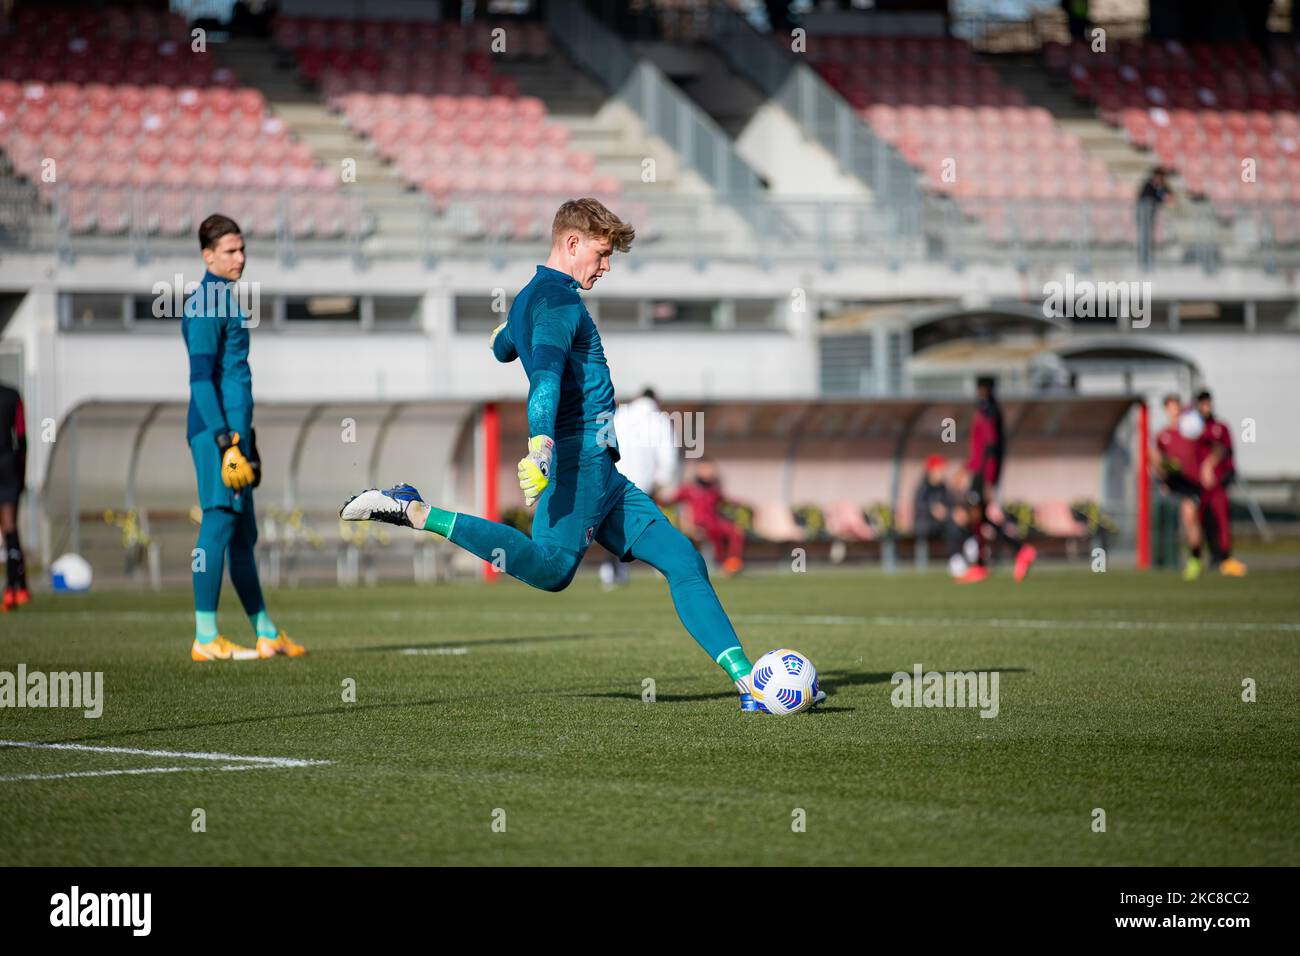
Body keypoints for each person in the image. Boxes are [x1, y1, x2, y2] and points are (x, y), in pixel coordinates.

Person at [341, 198, 819, 713]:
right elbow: (544, 376)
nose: (607, 265)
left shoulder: (534, 299)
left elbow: (504, 349)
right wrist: (542, 443)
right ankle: (413, 509)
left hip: (603, 471)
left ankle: (748, 682)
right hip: (577, 457)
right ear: (572, 243)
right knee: (551, 569)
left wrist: (507, 336)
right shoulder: (560, 304)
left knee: (683, 559)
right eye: (602, 253)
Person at [184, 214, 305, 661]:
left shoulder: (226, 299)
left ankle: (266, 632)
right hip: (216, 436)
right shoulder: (205, 304)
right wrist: (223, 442)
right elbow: (200, 381)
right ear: (208, 255)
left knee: (242, 534)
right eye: (230, 251)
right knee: (218, 523)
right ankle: (205, 636)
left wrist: (244, 439)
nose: (240, 257)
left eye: (242, 249)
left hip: (236, 437)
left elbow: (234, 378)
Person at [599, 387, 678, 589]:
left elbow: (604, 441)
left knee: (612, 524)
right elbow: (668, 455)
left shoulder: (620, 413)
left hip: (614, 478)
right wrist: (663, 480)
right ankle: (659, 564)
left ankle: (610, 569)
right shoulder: (658, 420)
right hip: (643, 483)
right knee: (644, 525)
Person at [961, 376, 1037, 583]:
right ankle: (1019, 551)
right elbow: (979, 448)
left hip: (983, 474)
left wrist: (987, 480)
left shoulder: (988, 412)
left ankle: (982, 565)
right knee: (980, 518)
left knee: (976, 517)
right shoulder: (986, 410)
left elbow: (990, 449)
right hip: (980, 472)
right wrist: (965, 469)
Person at [1193, 389, 1246, 576]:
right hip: (1199, 487)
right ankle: (1211, 557)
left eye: (1207, 403)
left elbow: (1228, 452)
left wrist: (1226, 476)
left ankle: (1226, 557)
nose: (1205, 407)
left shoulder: (1220, 427)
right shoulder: (1193, 428)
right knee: (1203, 522)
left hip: (1217, 485)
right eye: (1202, 403)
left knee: (1222, 519)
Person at [1153, 393, 1206, 581]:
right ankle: (1186, 557)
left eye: (1176, 405)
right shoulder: (1162, 435)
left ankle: (1195, 559)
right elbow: (1157, 461)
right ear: (1166, 409)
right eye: (1169, 406)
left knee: (1189, 519)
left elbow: (1211, 448)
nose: (1173, 410)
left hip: (1190, 482)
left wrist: (1207, 467)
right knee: (1182, 524)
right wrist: (1163, 476)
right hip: (1173, 483)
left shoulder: (1191, 428)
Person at [668, 459, 746, 577]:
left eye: (710, 469)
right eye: (705, 469)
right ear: (698, 470)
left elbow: (726, 501)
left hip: (714, 522)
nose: (708, 472)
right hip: (698, 525)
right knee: (712, 535)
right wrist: (683, 523)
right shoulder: (688, 489)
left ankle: (732, 564)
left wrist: (744, 506)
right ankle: (721, 564)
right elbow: (669, 503)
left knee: (735, 531)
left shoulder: (714, 489)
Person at [0, 381, 29, 610]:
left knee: (8, 529)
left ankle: (16, 586)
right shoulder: (12, 395)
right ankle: (14, 589)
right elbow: (21, 438)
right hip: (8, 465)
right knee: (10, 528)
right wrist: (22, 475)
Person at [1137, 167, 1174, 270]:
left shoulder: (1162, 186)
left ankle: (1149, 260)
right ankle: (1144, 261)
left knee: (1150, 240)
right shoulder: (1148, 185)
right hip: (1144, 218)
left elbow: (1169, 196)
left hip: (1152, 217)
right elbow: (1146, 199)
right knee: (1145, 239)